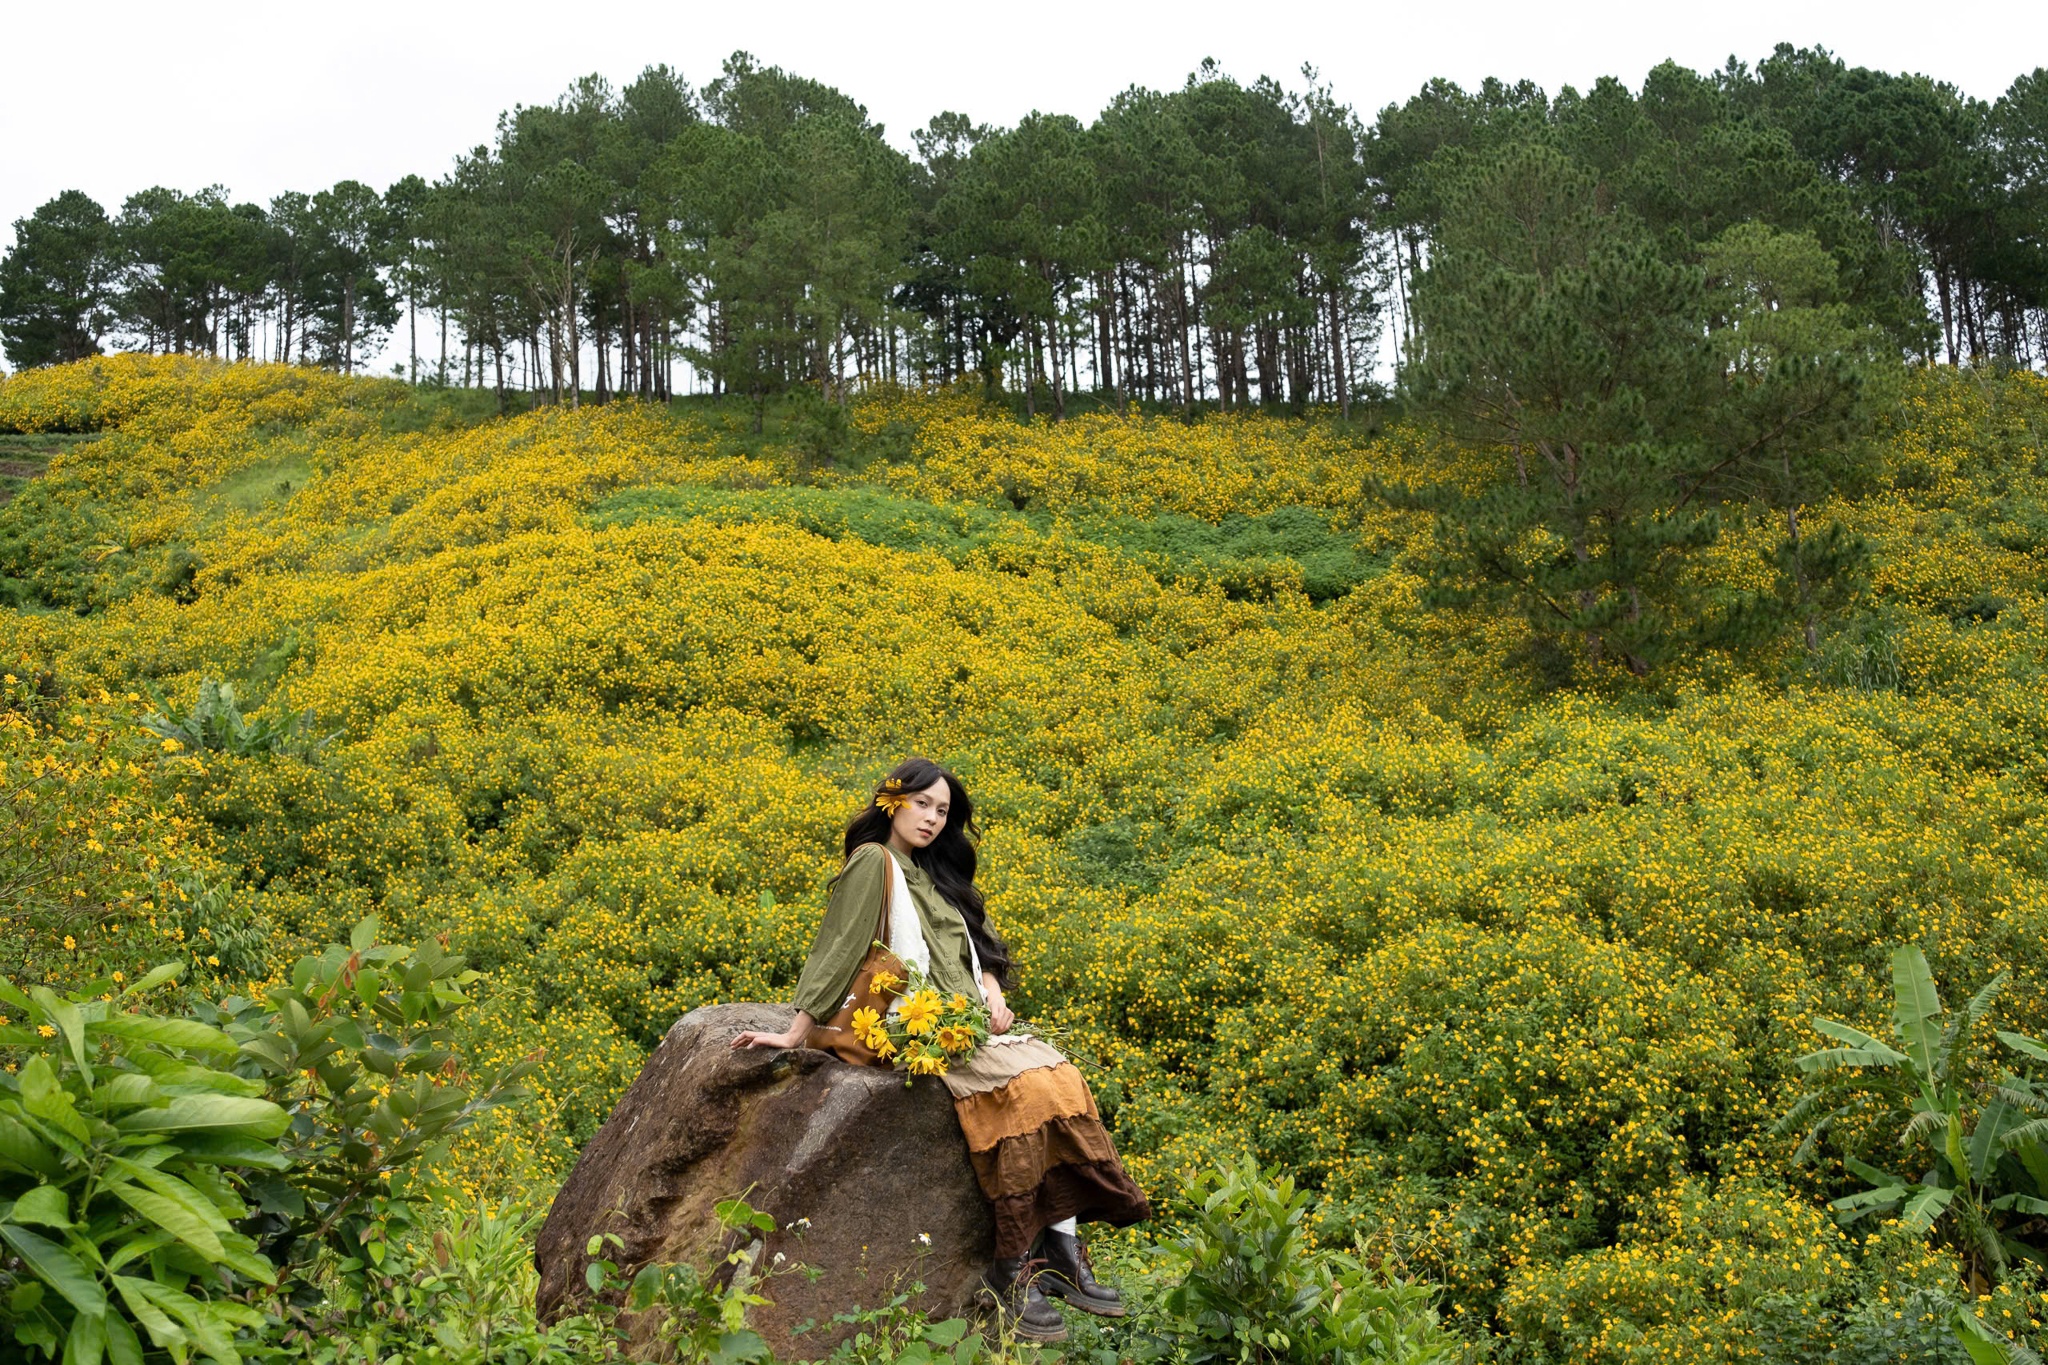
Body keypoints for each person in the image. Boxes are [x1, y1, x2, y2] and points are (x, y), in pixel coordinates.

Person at [732, 756, 1149, 1342]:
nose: (931, 819)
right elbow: (840, 946)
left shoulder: (931, 873)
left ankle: (1061, 1250)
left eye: (942, 811)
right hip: (913, 1031)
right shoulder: (873, 863)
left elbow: (971, 949)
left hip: (964, 1024)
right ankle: (1013, 1270)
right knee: (1025, 1095)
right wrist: (794, 1033)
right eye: (922, 804)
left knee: (1063, 1080)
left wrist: (994, 992)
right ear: (892, 802)